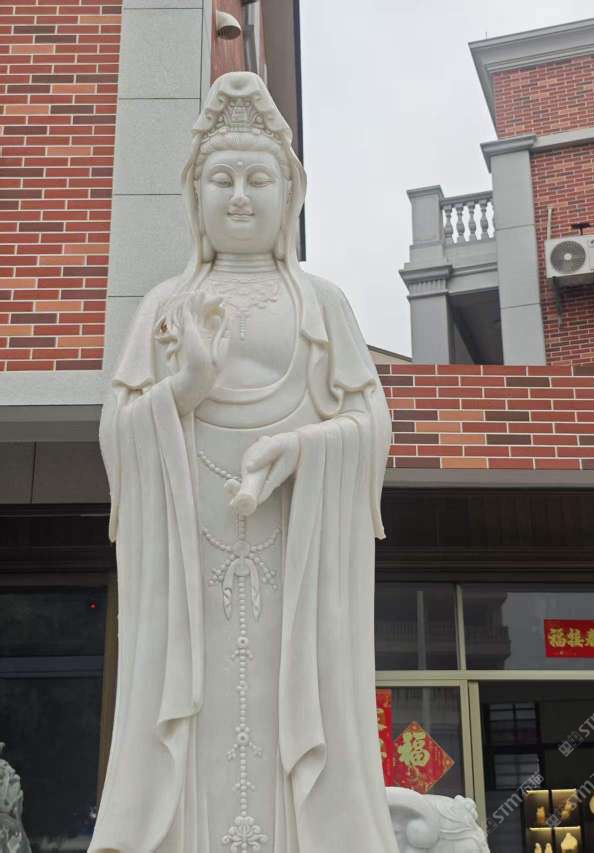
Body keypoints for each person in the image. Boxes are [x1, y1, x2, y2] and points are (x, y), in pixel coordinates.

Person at [90, 72, 397, 852]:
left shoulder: (320, 302)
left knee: (296, 691)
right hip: (187, 545)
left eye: (258, 179)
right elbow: (119, 431)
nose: (238, 197)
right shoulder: (164, 303)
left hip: (297, 546)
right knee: (191, 692)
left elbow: (369, 422)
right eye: (220, 179)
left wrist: (301, 447)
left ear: (289, 195)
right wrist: (184, 388)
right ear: (193, 196)